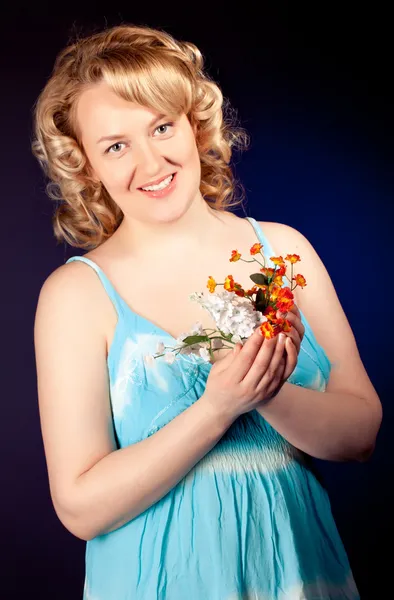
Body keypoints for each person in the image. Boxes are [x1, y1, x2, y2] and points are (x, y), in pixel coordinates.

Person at [32, 23, 382, 600]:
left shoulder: (284, 252)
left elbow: (361, 434)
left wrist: (270, 391)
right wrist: (218, 407)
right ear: (87, 165)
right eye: (116, 145)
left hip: (297, 570)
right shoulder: (75, 296)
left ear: (194, 126)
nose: (151, 162)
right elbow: (80, 508)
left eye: (161, 127)